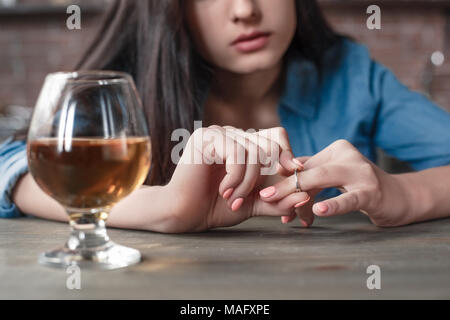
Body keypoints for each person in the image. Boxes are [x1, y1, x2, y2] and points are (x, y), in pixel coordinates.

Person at [1, 0, 450, 233]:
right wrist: (163, 208)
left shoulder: (350, 74)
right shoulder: (125, 87)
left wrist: (402, 195)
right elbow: (12, 165)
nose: (245, 10)